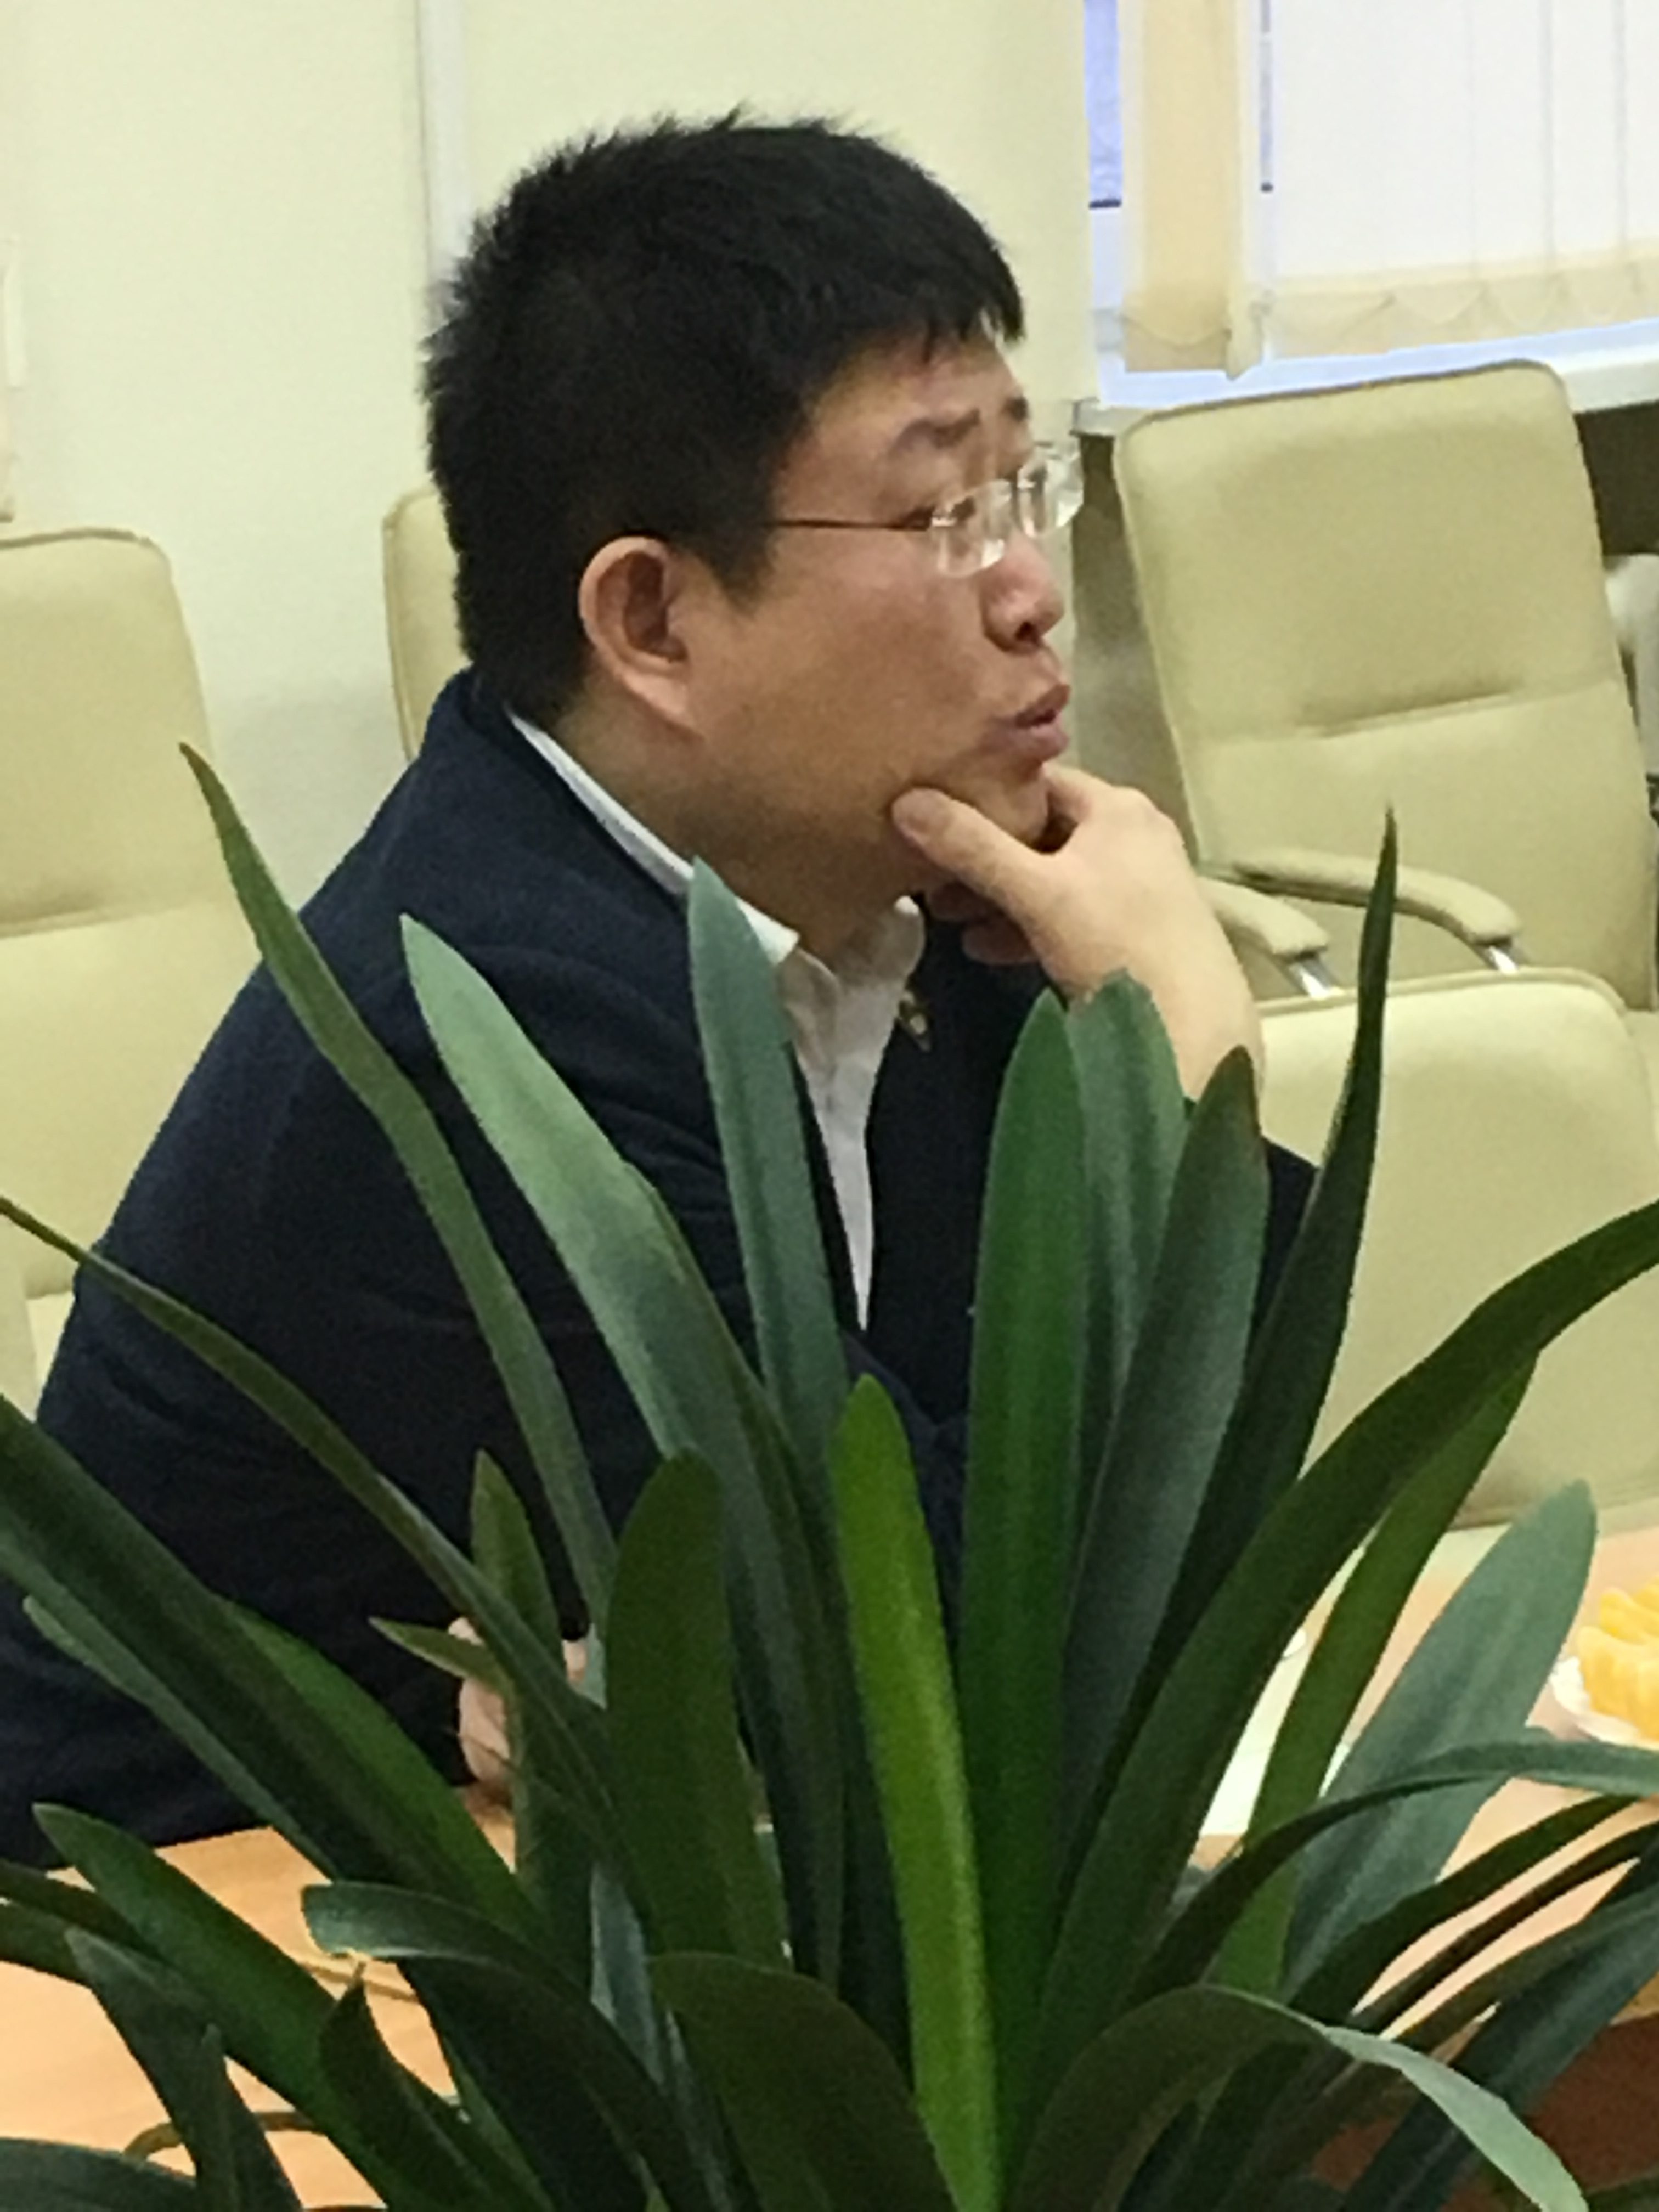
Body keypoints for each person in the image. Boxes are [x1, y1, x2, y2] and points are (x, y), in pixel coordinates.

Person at [0, 116, 1299, 1859]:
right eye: (941, 514)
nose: (1031, 594)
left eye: (1024, 488)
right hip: (194, 1945)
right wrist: (1192, 1090)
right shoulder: (490, 1029)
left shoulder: (915, 895)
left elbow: (1062, 1561)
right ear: (653, 623)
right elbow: (955, 1641)